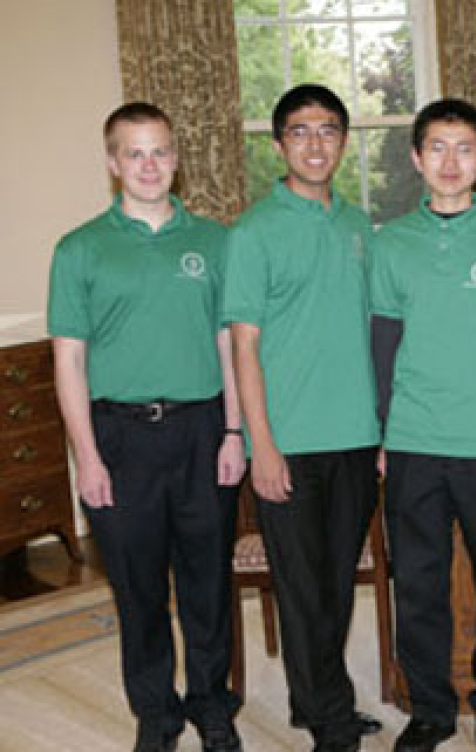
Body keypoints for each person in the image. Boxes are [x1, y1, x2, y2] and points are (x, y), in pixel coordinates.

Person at [48, 102, 246, 752]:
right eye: (135, 153)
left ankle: (212, 704)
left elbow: (229, 344)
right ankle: (155, 713)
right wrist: (88, 458)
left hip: (201, 432)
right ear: (112, 163)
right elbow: (69, 360)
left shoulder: (215, 241)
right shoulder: (79, 249)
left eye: (160, 150)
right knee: (137, 590)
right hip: (119, 440)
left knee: (207, 584)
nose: (150, 164)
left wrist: (234, 432)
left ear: (177, 157)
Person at [369, 98, 476, 752]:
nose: (449, 161)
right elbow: (382, 346)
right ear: (417, 159)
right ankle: (431, 709)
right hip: (412, 441)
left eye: (464, 148)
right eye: (436, 147)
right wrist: (383, 433)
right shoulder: (391, 243)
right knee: (419, 584)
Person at [222, 84, 383, 752]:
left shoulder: (357, 224)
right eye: (300, 131)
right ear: (279, 143)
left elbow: (374, 332)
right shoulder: (254, 232)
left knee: (337, 583)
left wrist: (382, 432)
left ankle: (312, 697)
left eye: (328, 131)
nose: (315, 143)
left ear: (343, 141)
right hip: (289, 441)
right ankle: (330, 721)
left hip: (357, 437)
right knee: (304, 587)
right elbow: (244, 344)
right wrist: (261, 443)